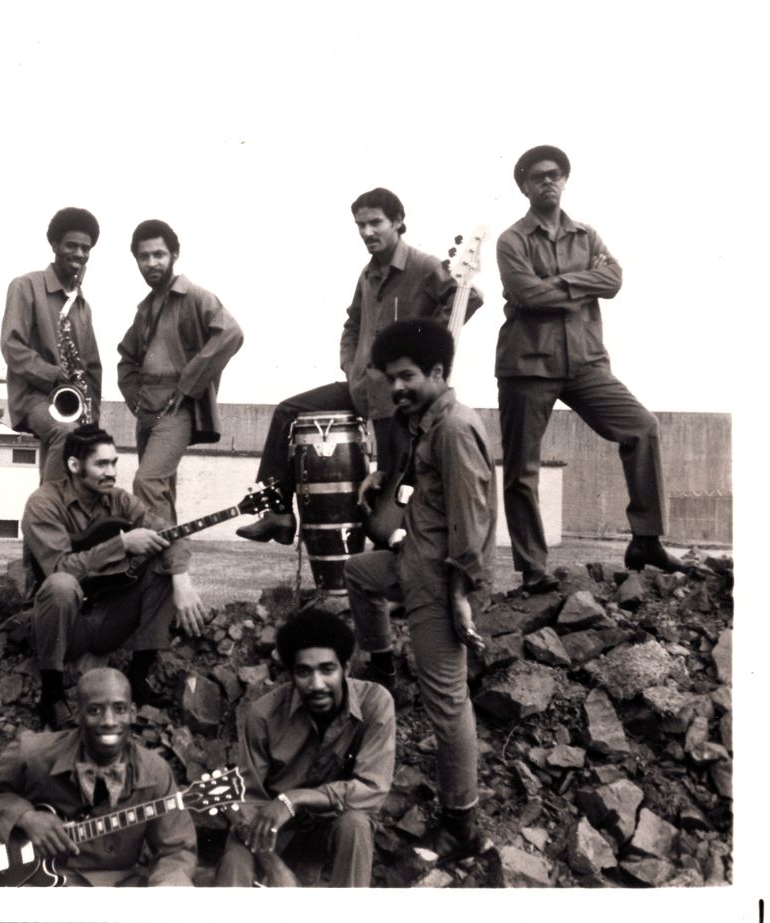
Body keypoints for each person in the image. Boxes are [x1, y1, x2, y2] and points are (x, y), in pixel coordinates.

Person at [237, 187, 482, 544]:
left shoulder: (425, 265)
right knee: (287, 411)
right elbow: (352, 323)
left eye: (375, 222)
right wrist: (350, 365)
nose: (367, 232)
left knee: (388, 503)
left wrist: (425, 348)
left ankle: (394, 570)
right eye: (360, 224)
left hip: (399, 402)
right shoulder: (367, 275)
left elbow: (465, 299)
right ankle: (278, 512)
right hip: (360, 388)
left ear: (398, 222)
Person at [496, 145, 685, 594]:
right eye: (539, 175)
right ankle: (533, 568)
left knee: (642, 428)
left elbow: (614, 280)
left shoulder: (587, 234)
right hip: (528, 366)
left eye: (557, 173)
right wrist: (583, 283)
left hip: (585, 362)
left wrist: (559, 283)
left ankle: (645, 540)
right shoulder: (512, 240)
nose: (550, 181)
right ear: (524, 185)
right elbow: (528, 296)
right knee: (522, 468)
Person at [344, 319, 492, 859]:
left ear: (436, 372)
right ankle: (383, 668)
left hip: (439, 579)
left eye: (407, 377)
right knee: (359, 573)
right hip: (411, 562)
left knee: (448, 701)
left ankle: (462, 825)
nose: (397, 388)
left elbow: (472, 521)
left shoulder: (454, 428)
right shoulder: (423, 424)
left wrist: (460, 595)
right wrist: (380, 478)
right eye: (390, 379)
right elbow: (415, 487)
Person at [21, 424, 206, 729]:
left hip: (110, 620)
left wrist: (181, 579)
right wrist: (120, 544)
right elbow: (59, 568)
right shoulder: (43, 502)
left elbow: (172, 535)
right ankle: (51, 694)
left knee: (165, 568)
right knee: (61, 585)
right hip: (66, 630)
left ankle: (137, 679)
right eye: (101, 464)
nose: (111, 472)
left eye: (114, 463)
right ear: (74, 465)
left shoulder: (120, 500)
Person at [215, 608, 395, 887]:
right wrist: (275, 868)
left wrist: (295, 798)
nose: (317, 685)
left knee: (356, 824)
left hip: (334, 823)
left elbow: (372, 789)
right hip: (275, 829)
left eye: (327, 669)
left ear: (345, 669)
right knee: (236, 858)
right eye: (304, 672)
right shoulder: (263, 715)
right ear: (290, 675)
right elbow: (246, 803)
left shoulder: (375, 703)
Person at [0, 667, 197, 886]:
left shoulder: (155, 771)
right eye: (95, 710)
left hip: (120, 884)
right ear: (77, 714)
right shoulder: (33, 752)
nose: (109, 721)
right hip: (43, 882)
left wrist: (168, 887)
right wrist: (26, 817)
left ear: (132, 712)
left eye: (119, 709)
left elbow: (176, 849)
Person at [117, 219, 243, 523]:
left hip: (177, 407)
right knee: (161, 490)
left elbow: (231, 333)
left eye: (158, 254)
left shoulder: (196, 296)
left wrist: (188, 385)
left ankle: (167, 562)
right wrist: (134, 396)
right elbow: (126, 358)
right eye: (143, 257)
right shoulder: (144, 309)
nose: (151, 263)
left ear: (174, 254)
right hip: (147, 408)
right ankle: (165, 568)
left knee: (146, 483)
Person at [1, 207, 104, 483]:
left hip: (71, 403)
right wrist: (53, 375)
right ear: (54, 245)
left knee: (72, 455)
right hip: (34, 397)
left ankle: (54, 519)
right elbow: (12, 347)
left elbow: (91, 366)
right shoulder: (25, 286)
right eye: (72, 245)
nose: (80, 254)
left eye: (86, 248)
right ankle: (48, 515)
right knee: (67, 434)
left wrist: (92, 418)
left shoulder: (82, 304)